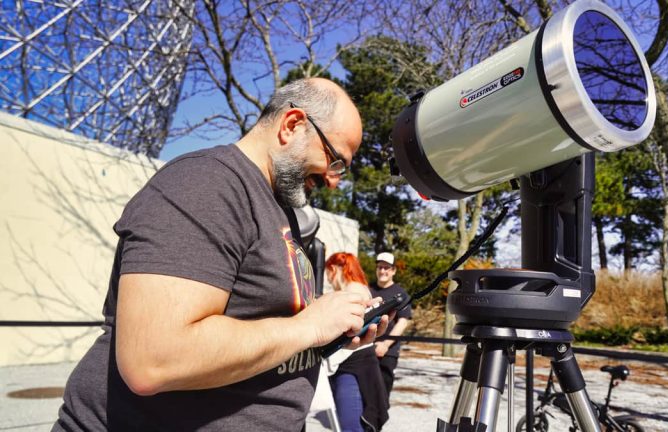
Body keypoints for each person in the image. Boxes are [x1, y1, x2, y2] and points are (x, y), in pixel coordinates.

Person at [53, 78, 388, 432]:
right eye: (335, 161)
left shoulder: (278, 208)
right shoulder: (205, 184)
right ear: (292, 125)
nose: (334, 181)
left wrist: (334, 328)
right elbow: (154, 359)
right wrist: (311, 326)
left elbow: (264, 329)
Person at [323, 252, 389, 432]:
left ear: (335, 269)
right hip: (353, 362)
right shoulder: (359, 288)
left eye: (328, 272)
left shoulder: (352, 291)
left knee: (351, 425)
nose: (328, 278)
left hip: (354, 364)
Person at [369, 252, 412, 404]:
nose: (382, 271)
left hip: (388, 352)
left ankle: (376, 425)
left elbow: (402, 322)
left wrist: (385, 345)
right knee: (364, 391)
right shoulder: (368, 290)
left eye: (386, 268)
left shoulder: (401, 294)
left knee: (382, 393)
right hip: (365, 349)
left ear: (393, 270)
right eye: (380, 267)